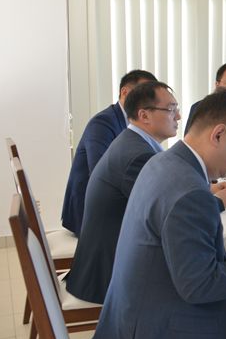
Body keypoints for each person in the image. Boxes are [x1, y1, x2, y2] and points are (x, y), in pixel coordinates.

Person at [90, 90, 226, 339]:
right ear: (218, 135)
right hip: (161, 335)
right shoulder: (191, 195)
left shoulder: (161, 161)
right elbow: (200, 285)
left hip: (133, 317)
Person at [66, 82, 226, 304]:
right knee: (201, 277)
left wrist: (207, 189)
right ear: (144, 115)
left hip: (107, 257)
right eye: (171, 109)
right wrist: (216, 202)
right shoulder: (138, 157)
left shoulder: (133, 142)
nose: (179, 116)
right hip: (109, 275)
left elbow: (165, 195)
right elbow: (172, 216)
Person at [61, 69, 157, 236]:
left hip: (113, 204)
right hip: (88, 213)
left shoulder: (137, 124)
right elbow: (100, 171)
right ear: (125, 92)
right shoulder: (102, 123)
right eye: (144, 94)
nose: (149, 103)